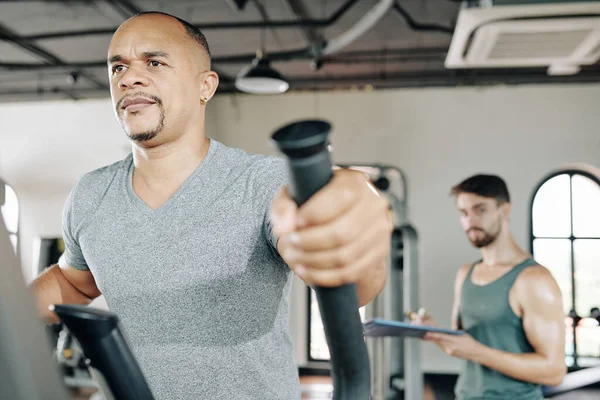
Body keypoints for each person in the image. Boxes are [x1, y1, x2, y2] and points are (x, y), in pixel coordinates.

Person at [29, 11, 392, 400]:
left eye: (154, 62)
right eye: (118, 66)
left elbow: (350, 286)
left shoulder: (262, 184)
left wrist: (355, 238)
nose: (128, 77)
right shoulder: (91, 194)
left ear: (206, 86)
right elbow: (72, 282)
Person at [413, 174, 566, 400]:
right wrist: (435, 333)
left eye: (480, 210)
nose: (470, 220)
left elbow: (554, 371)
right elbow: (463, 346)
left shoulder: (533, 280)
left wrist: (477, 351)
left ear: (504, 211)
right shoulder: (465, 274)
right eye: (463, 213)